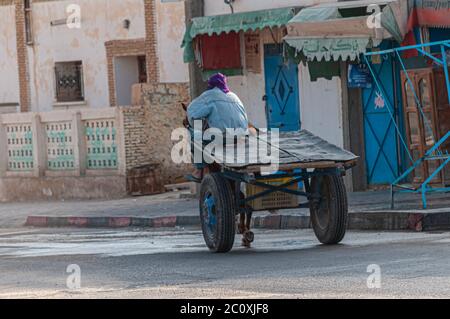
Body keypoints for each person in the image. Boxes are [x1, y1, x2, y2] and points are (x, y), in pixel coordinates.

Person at [186, 73, 254, 182]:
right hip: (242, 136)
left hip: (223, 137)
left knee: (192, 134)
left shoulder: (210, 95)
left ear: (211, 85)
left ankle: (200, 170)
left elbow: (192, 112)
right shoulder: (234, 96)